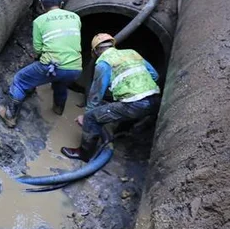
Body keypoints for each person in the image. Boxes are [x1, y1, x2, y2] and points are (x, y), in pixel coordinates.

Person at [61, 33, 160, 161]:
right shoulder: (132, 52)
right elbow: (155, 76)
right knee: (122, 105)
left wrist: (86, 116)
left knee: (92, 118)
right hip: (156, 100)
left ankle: (84, 154)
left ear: (95, 51)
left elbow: (96, 95)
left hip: (134, 105)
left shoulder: (103, 64)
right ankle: (122, 133)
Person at [0, 0, 83, 127]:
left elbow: (38, 49)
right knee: (61, 84)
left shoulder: (39, 21)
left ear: (42, 5)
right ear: (61, 3)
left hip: (53, 66)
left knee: (20, 79)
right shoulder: (75, 17)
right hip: (75, 68)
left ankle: (10, 115)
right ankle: (58, 109)